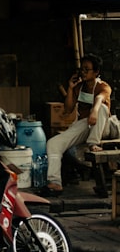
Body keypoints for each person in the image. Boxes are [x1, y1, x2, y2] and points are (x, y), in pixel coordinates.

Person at [44, 53, 112, 195]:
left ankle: (93, 143)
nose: (83, 72)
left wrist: (94, 110)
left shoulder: (103, 86)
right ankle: (55, 182)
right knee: (53, 143)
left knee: (102, 109)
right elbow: (68, 109)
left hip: (102, 127)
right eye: (82, 69)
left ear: (96, 72)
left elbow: (100, 98)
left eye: (87, 69)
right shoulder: (79, 87)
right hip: (85, 125)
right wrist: (70, 88)